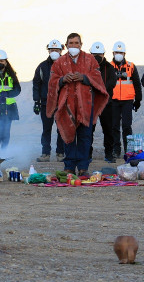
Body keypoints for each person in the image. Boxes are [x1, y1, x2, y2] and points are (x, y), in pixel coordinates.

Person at [46, 33, 109, 176]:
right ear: (66, 45)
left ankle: (83, 167)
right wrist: (62, 80)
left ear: (81, 44)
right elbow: (53, 81)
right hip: (66, 104)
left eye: (76, 43)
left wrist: (84, 78)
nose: (73, 46)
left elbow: (96, 77)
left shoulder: (90, 59)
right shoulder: (59, 62)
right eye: (71, 43)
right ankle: (69, 165)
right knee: (68, 134)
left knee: (84, 135)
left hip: (85, 103)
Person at [33, 39, 65, 162]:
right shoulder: (42, 67)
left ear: (61, 50)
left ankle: (60, 153)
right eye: (52, 50)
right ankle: (45, 153)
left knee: (61, 129)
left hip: (62, 103)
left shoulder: (66, 65)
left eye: (57, 50)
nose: (54, 52)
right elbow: (36, 84)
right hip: (46, 103)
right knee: (46, 129)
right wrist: (36, 101)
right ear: (48, 50)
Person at [110, 41, 142, 159]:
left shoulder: (131, 66)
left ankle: (128, 150)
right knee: (114, 126)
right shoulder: (109, 67)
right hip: (113, 101)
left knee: (127, 126)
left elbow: (137, 84)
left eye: (121, 52)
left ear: (124, 53)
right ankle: (116, 150)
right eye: (117, 52)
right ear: (113, 53)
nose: (119, 54)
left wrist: (138, 100)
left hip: (127, 101)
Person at [89, 41, 117, 163]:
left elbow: (112, 82)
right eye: (94, 54)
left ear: (104, 54)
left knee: (108, 129)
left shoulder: (110, 68)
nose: (96, 57)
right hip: (91, 104)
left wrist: (99, 87)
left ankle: (109, 154)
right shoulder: (86, 67)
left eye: (99, 55)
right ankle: (87, 154)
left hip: (106, 103)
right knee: (89, 130)